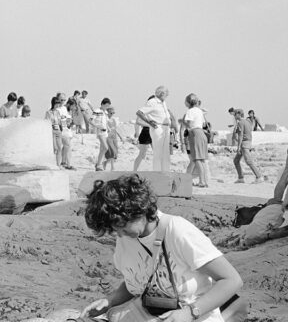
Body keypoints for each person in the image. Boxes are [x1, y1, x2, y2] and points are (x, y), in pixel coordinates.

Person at [79, 175, 243, 322]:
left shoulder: (177, 230)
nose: (119, 234)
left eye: (121, 225)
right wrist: (110, 300)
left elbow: (231, 280)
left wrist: (190, 312)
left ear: (137, 211)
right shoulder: (127, 237)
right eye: (114, 229)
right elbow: (138, 281)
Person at [134, 86, 174, 172]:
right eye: (166, 95)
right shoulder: (152, 102)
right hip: (158, 127)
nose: (167, 96)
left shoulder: (163, 103)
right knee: (158, 152)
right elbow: (140, 112)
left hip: (166, 128)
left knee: (165, 153)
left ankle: (165, 172)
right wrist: (149, 122)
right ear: (162, 93)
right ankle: (157, 172)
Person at [182, 93, 211, 188]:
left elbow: (189, 124)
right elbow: (202, 124)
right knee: (202, 159)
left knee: (197, 159)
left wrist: (183, 123)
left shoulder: (190, 111)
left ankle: (202, 181)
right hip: (201, 133)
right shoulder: (199, 111)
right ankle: (204, 181)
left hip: (194, 134)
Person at [232, 109, 265, 183]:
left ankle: (259, 176)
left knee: (249, 161)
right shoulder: (247, 122)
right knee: (236, 161)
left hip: (244, 144)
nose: (234, 116)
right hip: (248, 142)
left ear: (239, 114)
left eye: (235, 114)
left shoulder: (241, 123)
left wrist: (238, 147)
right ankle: (241, 178)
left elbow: (240, 135)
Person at [45, 96, 74, 170]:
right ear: (53, 103)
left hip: (59, 131)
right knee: (54, 148)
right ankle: (52, 163)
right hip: (52, 132)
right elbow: (47, 122)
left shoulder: (58, 112)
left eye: (58, 103)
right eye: (57, 103)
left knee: (59, 148)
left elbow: (60, 121)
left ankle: (58, 164)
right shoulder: (48, 112)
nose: (58, 105)